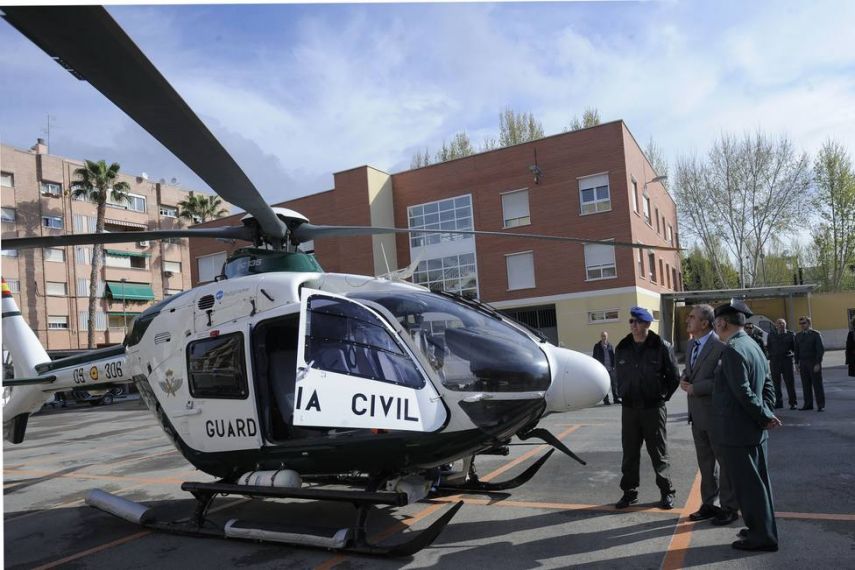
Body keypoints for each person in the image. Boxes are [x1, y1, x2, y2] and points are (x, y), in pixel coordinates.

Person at [711, 299, 781, 552]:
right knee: (759, 484)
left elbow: (743, 392)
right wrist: (766, 413)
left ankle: (762, 537)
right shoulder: (752, 344)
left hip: (738, 432)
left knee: (749, 488)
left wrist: (763, 415)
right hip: (752, 430)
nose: (715, 327)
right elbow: (768, 383)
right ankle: (761, 529)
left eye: (716, 323)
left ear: (722, 323)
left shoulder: (733, 350)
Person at [614, 306, 680, 510]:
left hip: (653, 408)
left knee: (658, 453)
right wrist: (622, 391)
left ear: (647, 324)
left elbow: (674, 377)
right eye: (631, 321)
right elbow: (618, 374)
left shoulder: (661, 346)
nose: (633, 325)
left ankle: (667, 492)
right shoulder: (623, 346)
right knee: (630, 453)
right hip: (630, 409)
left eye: (638, 322)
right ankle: (629, 493)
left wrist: (662, 396)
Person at [680, 304, 738, 524]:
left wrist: (697, 387)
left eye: (692, 317)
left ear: (705, 323)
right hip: (697, 416)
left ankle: (729, 507)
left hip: (716, 416)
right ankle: (709, 504)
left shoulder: (721, 346)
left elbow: (723, 381)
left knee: (724, 463)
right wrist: (684, 378)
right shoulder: (691, 344)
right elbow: (690, 370)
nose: (688, 320)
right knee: (705, 464)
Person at [794, 316, 825, 411]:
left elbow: (820, 350)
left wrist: (818, 363)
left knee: (817, 384)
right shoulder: (798, 335)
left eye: (804, 323)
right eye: (800, 324)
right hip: (803, 362)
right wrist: (796, 363)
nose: (802, 325)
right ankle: (808, 404)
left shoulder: (815, 334)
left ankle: (820, 405)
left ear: (809, 323)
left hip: (813, 361)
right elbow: (796, 350)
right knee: (805, 384)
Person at [767, 319, 798, 410]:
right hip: (775, 361)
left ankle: (793, 403)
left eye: (783, 323)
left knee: (790, 383)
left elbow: (795, 348)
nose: (781, 325)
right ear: (775, 325)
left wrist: (796, 361)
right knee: (776, 384)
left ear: (785, 324)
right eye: (779, 323)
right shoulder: (771, 335)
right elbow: (769, 347)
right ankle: (778, 402)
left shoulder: (791, 335)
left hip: (786, 361)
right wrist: (770, 356)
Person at [593, 331, 619, 405]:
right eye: (602, 336)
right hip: (602, 369)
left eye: (605, 336)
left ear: (607, 337)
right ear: (601, 337)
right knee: (604, 385)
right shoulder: (597, 346)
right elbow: (594, 357)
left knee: (614, 384)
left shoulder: (610, 345)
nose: (604, 337)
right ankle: (606, 400)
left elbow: (613, 356)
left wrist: (614, 366)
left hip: (611, 368)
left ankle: (616, 399)